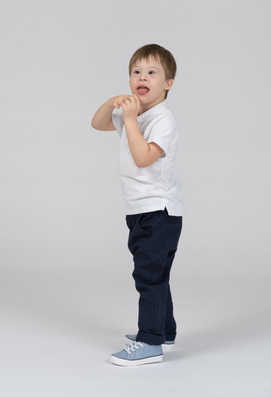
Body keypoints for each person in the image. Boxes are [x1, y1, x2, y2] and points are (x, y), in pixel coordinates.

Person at [91, 44, 184, 367]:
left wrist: (130, 119)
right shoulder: (136, 114)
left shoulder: (162, 120)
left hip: (160, 211)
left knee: (149, 276)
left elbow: (144, 158)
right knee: (156, 273)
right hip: (139, 210)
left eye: (151, 72)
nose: (142, 77)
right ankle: (165, 332)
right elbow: (98, 123)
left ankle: (149, 341)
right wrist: (112, 103)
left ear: (168, 84)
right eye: (136, 72)